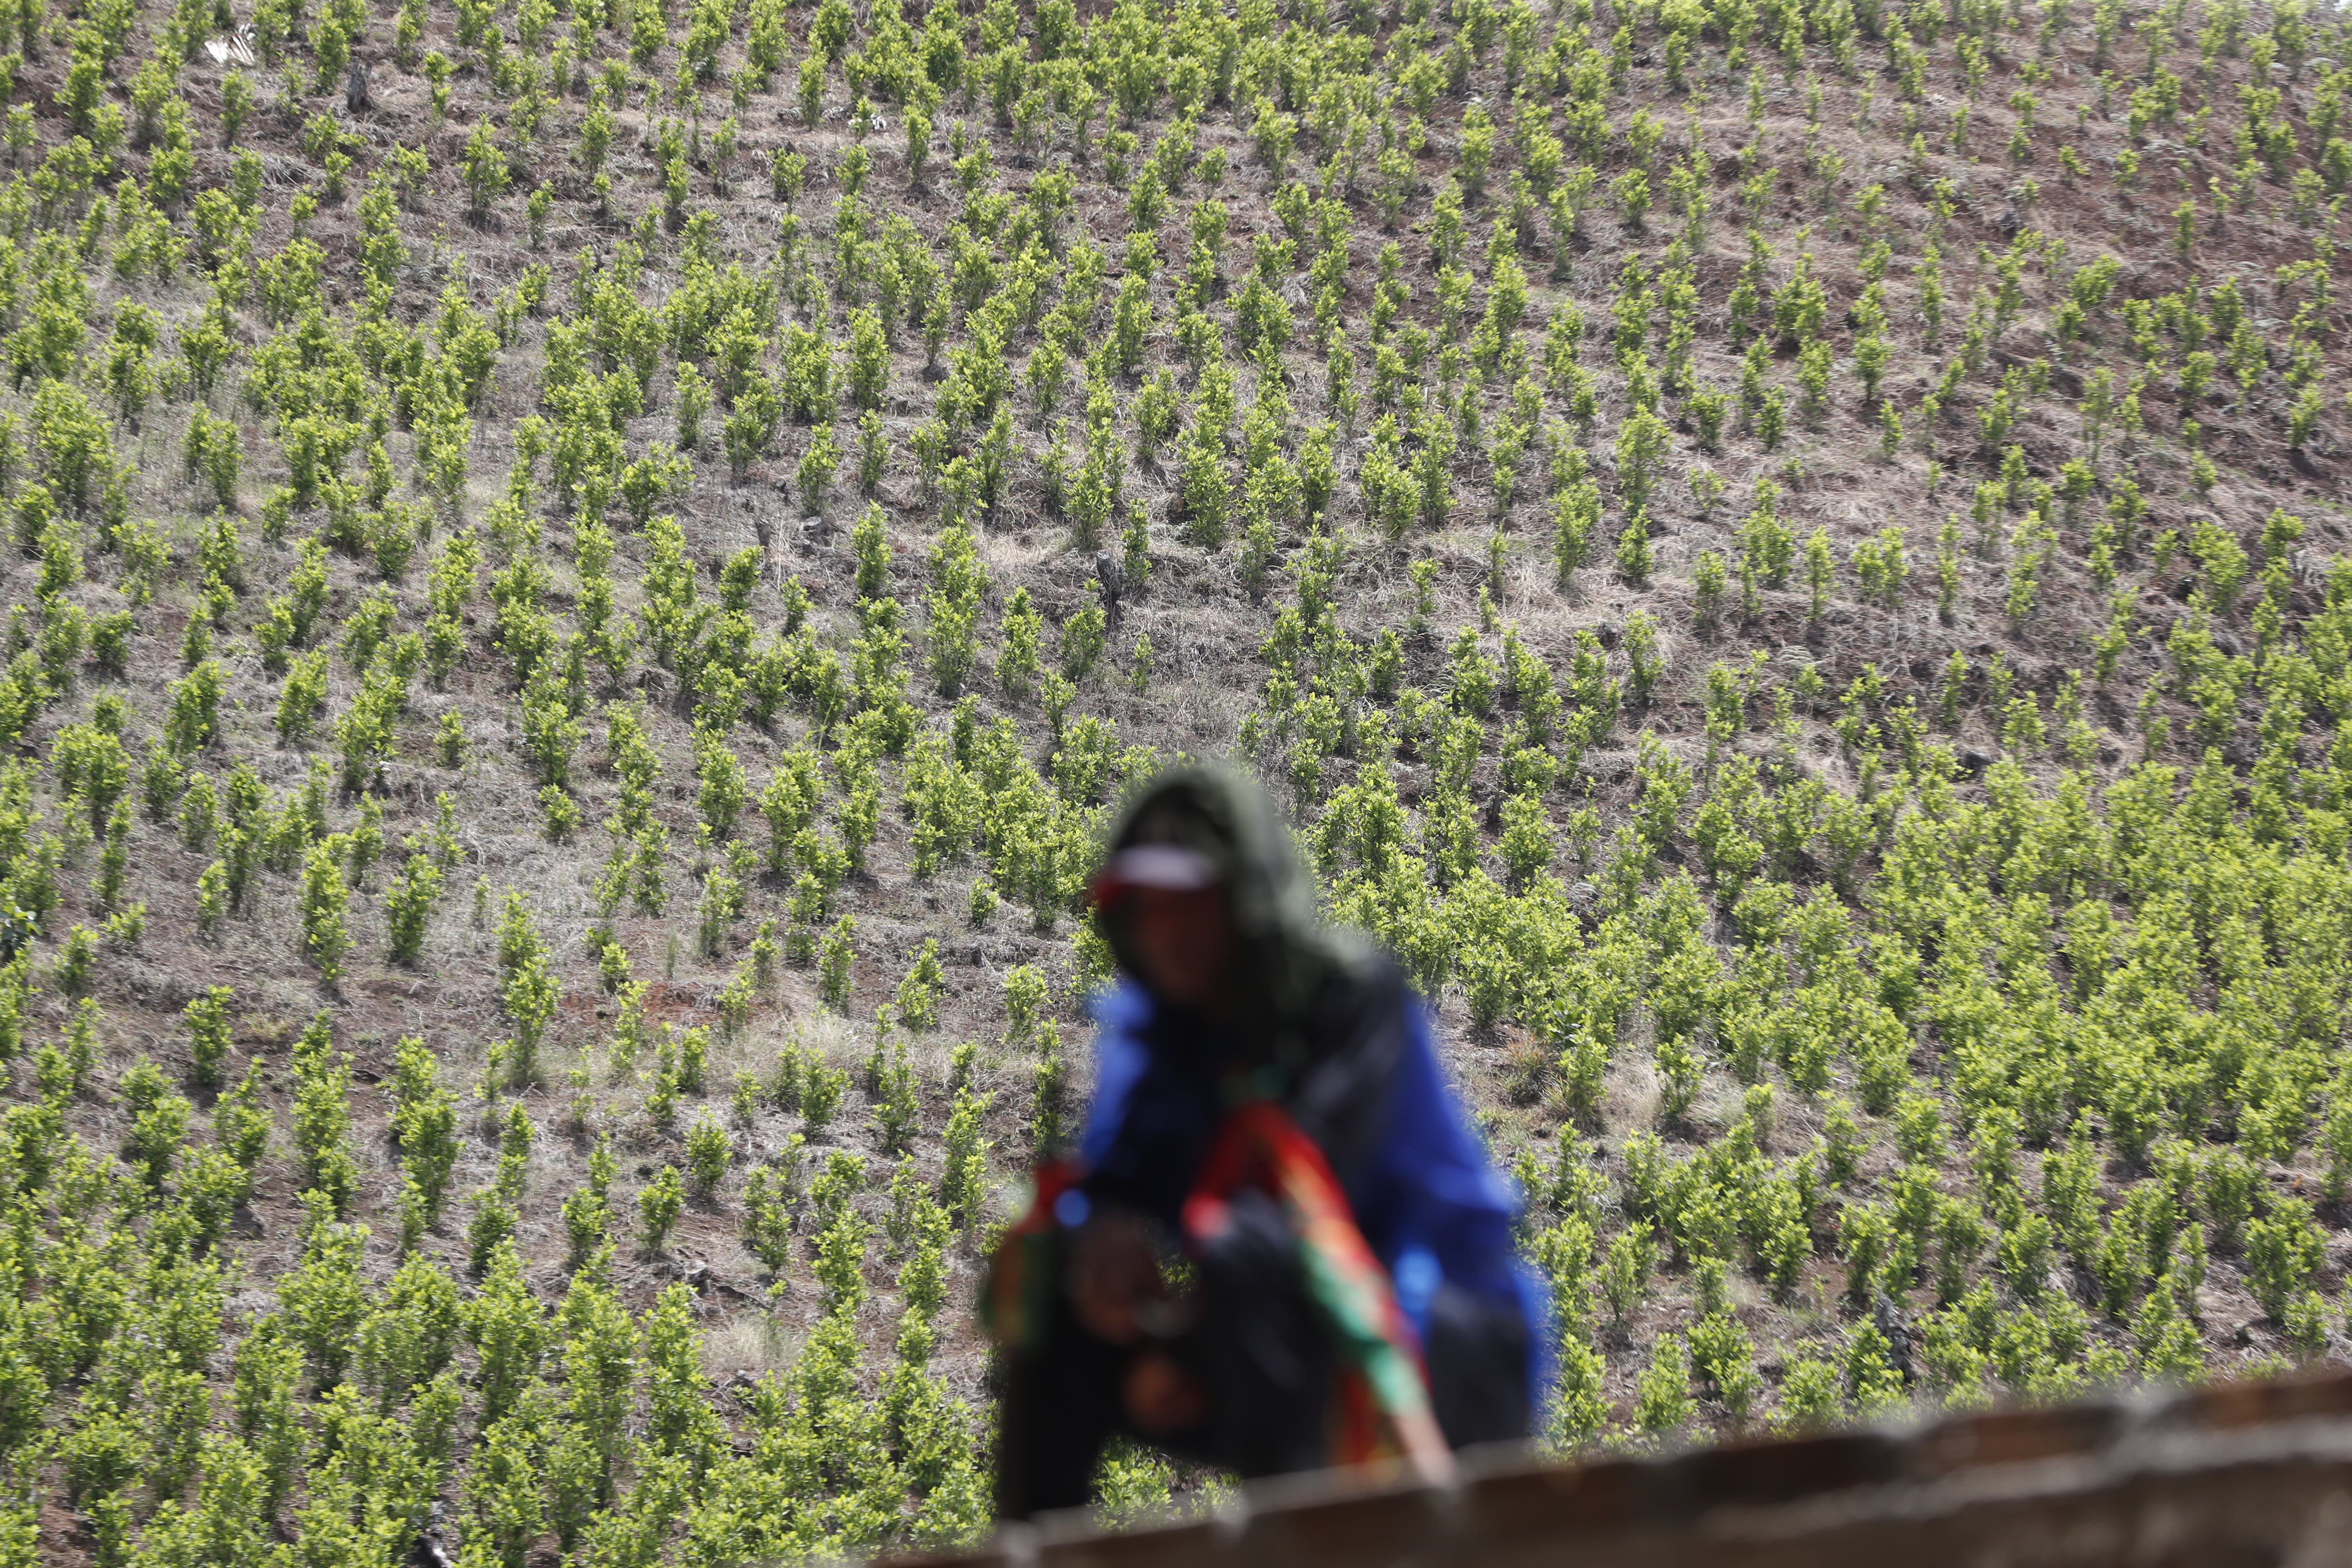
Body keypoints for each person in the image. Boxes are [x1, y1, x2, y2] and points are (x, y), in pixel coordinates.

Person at [985, 767, 1546, 1521]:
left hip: (1444, 1346)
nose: (1166, 930)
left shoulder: (1349, 1004)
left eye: (1190, 902)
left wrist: (1184, 1324)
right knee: (1059, 1279)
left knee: (1252, 1250)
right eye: (1145, 908)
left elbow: (1302, 1197)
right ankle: (1032, 1539)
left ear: (1244, 897)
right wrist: (1109, 1250)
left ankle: (1309, 1539)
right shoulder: (1159, 1039)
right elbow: (1120, 1180)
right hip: (1272, 1338)